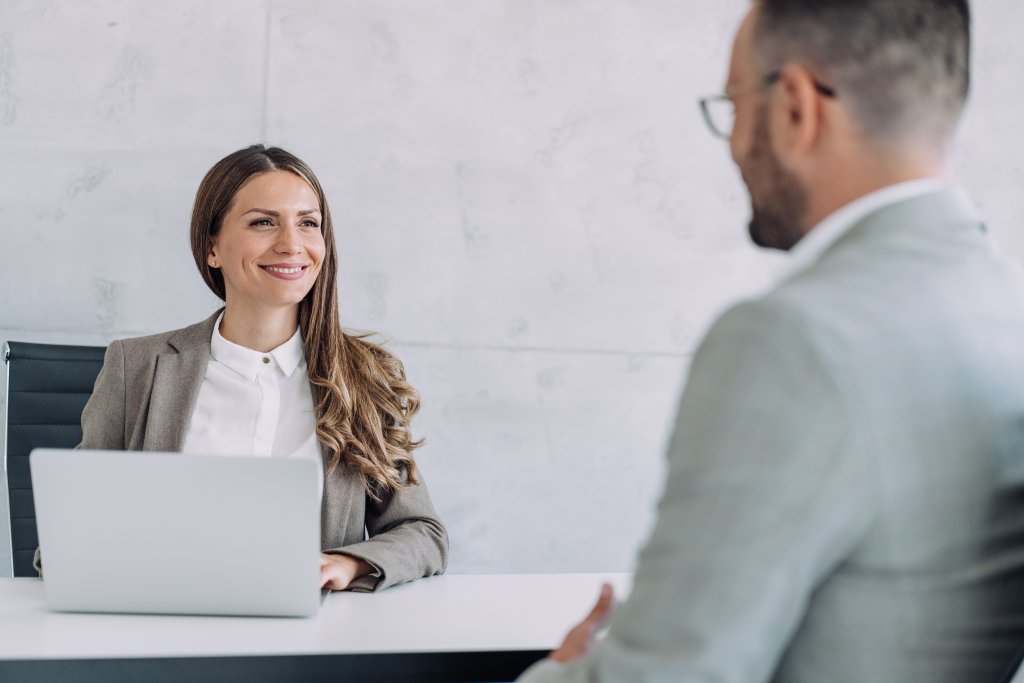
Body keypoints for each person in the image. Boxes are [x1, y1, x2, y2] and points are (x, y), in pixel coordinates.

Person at [520, 0, 1024, 681]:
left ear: (794, 107)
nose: (731, 143)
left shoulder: (794, 342)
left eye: (732, 106)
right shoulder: (999, 307)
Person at [35, 145, 448, 592]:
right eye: (262, 222)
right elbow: (69, 534)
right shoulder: (135, 367)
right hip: (161, 623)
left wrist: (345, 563)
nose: (292, 244)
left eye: (308, 223)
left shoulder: (365, 376)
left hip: (310, 639)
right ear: (212, 247)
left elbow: (423, 533)